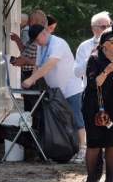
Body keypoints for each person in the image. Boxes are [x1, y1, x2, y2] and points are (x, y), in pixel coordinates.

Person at [21, 26, 85, 158]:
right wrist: (31, 82)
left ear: (44, 34)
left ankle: (83, 148)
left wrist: (32, 78)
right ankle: (66, 149)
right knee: (60, 120)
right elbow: (37, 66)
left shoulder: (58, 43)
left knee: (76, 118)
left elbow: (49, 65)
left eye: (37, 39)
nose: (37, 43)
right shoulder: (41, 47)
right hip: (56, 91)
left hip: (70, 88)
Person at [73, 11, 113, 165]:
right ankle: (94, 176)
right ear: (93, 28)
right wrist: (90, 58)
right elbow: (77, 72)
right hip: (93, 98)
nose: (107, 28)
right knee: (95, 139)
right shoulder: (85, 46)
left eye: (108, 25)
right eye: (103, 26)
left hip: (112, 98)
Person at [81, 27, 113, 182]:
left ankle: (110, 179)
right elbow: (94, 83)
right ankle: (91, 179)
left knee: (112, 144)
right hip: (94, 104)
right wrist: (108, 70)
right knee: (94, 143)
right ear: (104, 44)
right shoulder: (94, 59)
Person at [11, 23, 45, 111]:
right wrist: (18, 41)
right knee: (28, 102)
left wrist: (25, 61)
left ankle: (35, 123)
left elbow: (40, 62)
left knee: (35, 105)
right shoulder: (31, 41)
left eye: (30, 20)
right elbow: (24, 51)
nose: (28, 22)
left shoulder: (40, 44)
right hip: (26, 74)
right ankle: (28, 122)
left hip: (32, 75)